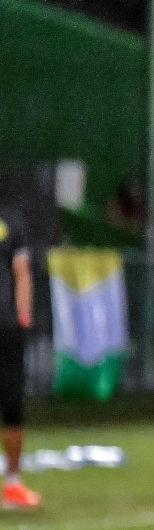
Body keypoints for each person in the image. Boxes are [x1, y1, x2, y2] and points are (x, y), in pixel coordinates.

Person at [0, 208, 39, 510]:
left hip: (6, 330)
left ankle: (12, 482)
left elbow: (22, 272)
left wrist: (23, 317)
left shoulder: (11, 221)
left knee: (12, 404)